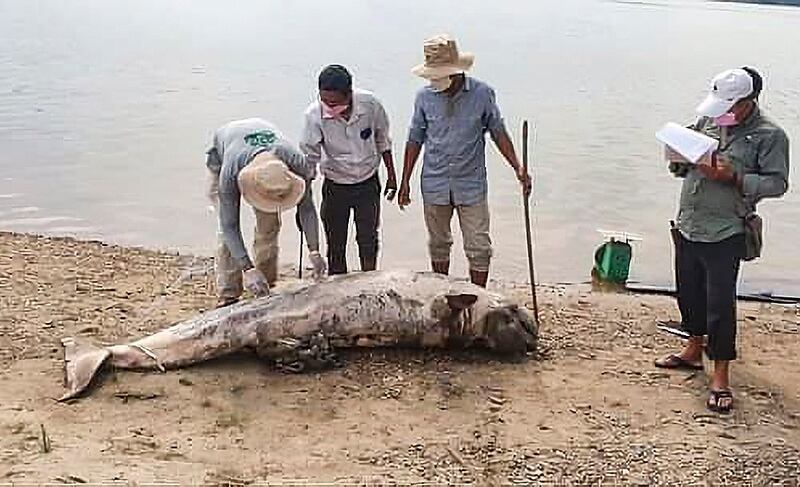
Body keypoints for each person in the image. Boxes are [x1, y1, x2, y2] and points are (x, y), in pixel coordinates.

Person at [655, 67, 790, 413]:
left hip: (726, 229)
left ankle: (721, 375)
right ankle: (692, 348)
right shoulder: (709, 120)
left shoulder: (769, 136)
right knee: (688, 291)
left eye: (731, 106)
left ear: (749, 102)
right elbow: (684, 164)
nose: (723, 113)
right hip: (689, 221)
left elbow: (777, 183)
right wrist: (678, 158)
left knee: (719, 304)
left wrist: (735, 177)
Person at [397, 34, 532, 287]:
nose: (436, 81)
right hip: (435, 181)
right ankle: (442, 292)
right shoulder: (424, 97)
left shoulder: (482, 94)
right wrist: (405, 180)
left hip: (470, 183)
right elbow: (415, 138)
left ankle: (478, 299)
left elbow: (498, 132)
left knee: (479, 246)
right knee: (438, 243)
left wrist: (518, 167)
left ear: (457, 72)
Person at [206, 118, 326, 308]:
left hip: (263, 145)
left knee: (270, 224)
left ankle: (266, 283)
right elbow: (230, 225)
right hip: (225, 153)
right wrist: (247, 268)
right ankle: (229, 293)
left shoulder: (297, 162)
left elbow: (307, 208)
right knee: (225, 233)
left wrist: (315, 250)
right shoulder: (230, 170)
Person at [300, 65, 397, 275]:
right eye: (324, 101)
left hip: (367, 182)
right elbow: (310, 157)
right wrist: (302, 197)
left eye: (334, 102)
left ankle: (370, 278)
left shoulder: (370, 104)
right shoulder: (314, 116)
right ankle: (337, 286)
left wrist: (392, 175)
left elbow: (383, 138)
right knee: (335, 242)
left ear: (349, 94)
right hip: (335, 184)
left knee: (368, 237)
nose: (329, 106)